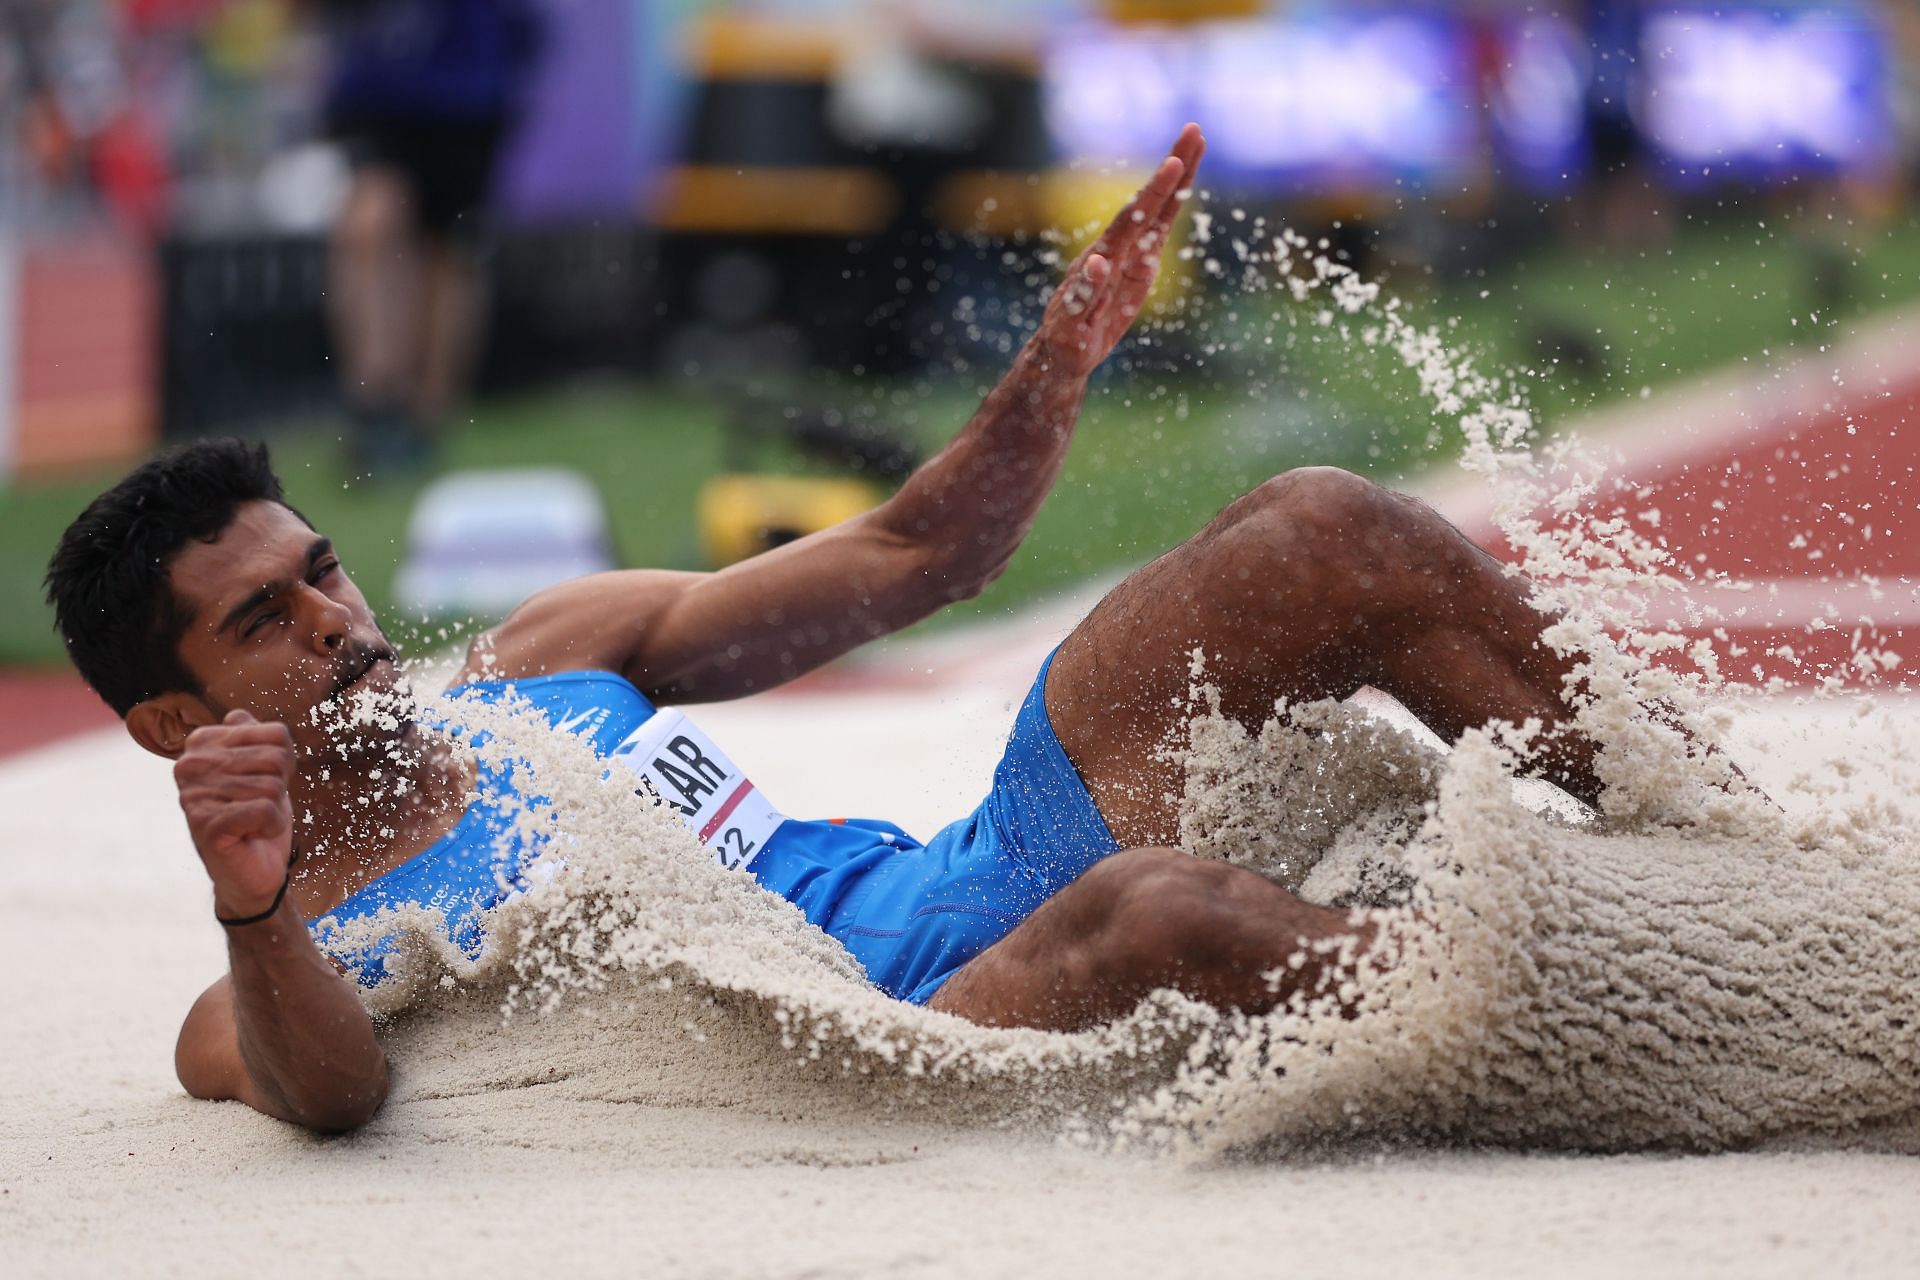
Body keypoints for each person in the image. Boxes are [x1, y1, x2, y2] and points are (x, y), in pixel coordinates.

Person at [46, 126, 1610, 1134]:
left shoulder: (541, 657)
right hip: (901, 1029)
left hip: (966, 869)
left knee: (1317, 528)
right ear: (177, 723)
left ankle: (1695, 821)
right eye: (266, 619)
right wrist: (250, 908)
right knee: (1161, 914)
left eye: (323, 570)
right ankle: (1659, 1027)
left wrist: (1045, 376)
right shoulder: (295, 951)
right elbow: (327, 1091)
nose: (333, 619)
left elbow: (915, 549)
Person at [319, 0, 544, 473]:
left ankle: (425, 419)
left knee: (452, 253)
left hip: (469, 85)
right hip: (383, 81)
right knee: (371, 223)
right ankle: (376, 398)